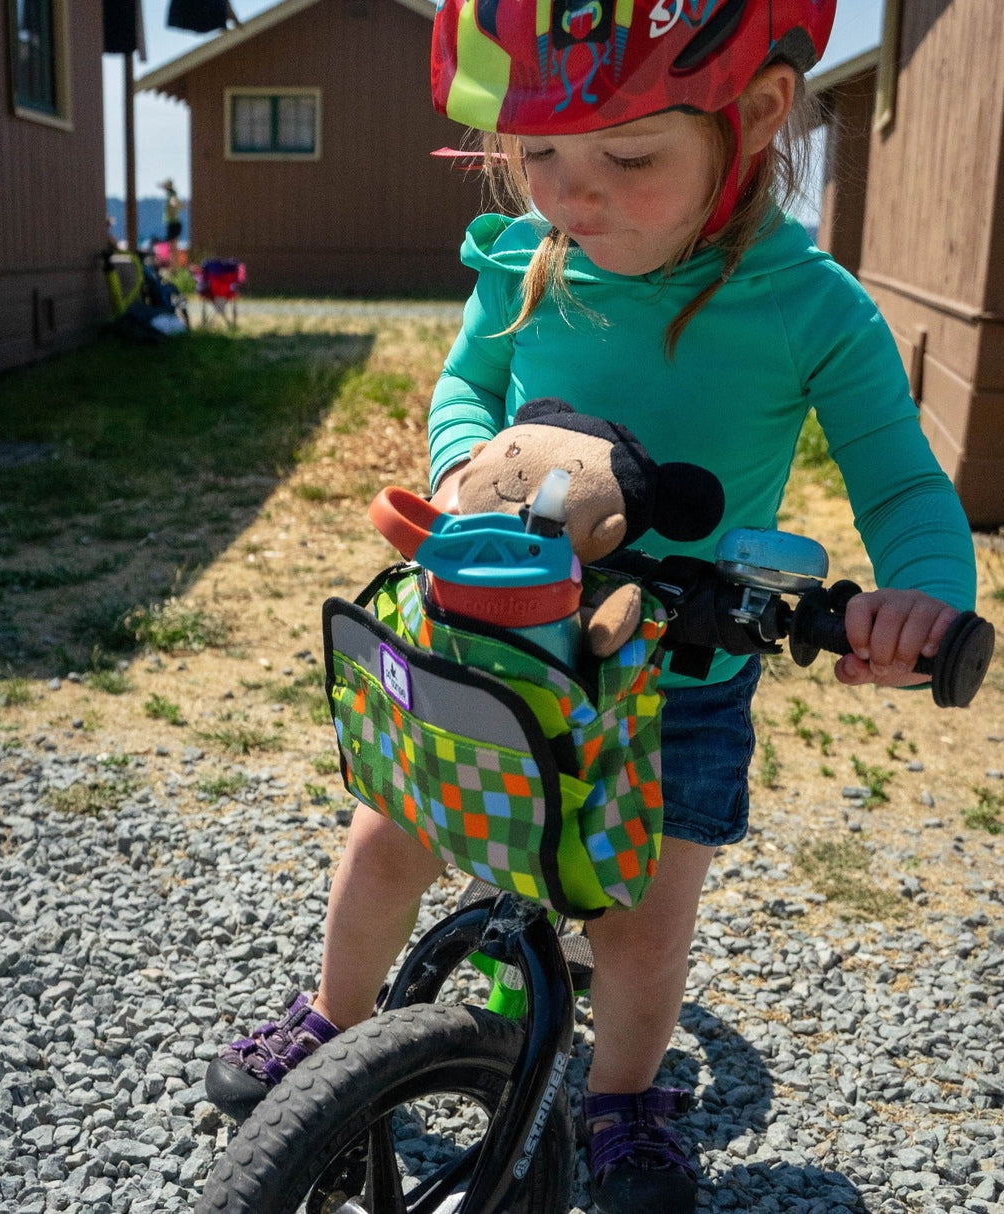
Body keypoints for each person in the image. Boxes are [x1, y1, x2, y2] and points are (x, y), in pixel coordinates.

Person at [204, 3, 978, 1211]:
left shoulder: (806, 306)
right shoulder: (529, 259)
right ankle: (332, 1015)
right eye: (541, 154)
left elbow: (898, 481)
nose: (573, 195)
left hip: (675, 675)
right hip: (498, 634)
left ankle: (622, 1089)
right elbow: (465, 384)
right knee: (389, 837)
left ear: (757, 116)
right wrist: (463, 466)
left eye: (626, 158)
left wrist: (918, 600)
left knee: (636, 919)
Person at [159, 178, 182, 244]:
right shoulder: (171, 195)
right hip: (173, 223)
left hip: (173, 223)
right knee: (172, 245)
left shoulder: (172, 196)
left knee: (172, 246)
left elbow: (175, 205)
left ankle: (174, 255)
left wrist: (173, 208)